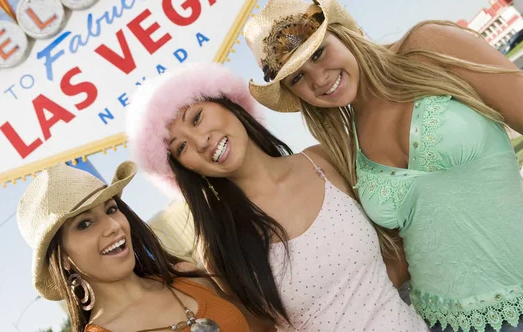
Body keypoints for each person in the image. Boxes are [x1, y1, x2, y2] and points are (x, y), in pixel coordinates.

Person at [244, 0, 523, 332]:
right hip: (444, 322)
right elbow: (396, 256)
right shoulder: (345, 148)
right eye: (297, 78)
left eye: (318, 53)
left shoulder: (427, 46)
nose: (318, 79)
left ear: (340, 31)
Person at [126, 62, 428, 331]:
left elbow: (398, 242)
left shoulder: (323, 160)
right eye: (180, 148)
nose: (201, 141)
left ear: (228, 102)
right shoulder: (221, 248)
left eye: (196, 118)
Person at [17, 160, 261, 332]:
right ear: (62, 259)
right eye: (84, 224)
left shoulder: (189, 277)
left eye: (112, 209)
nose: (113, 225)